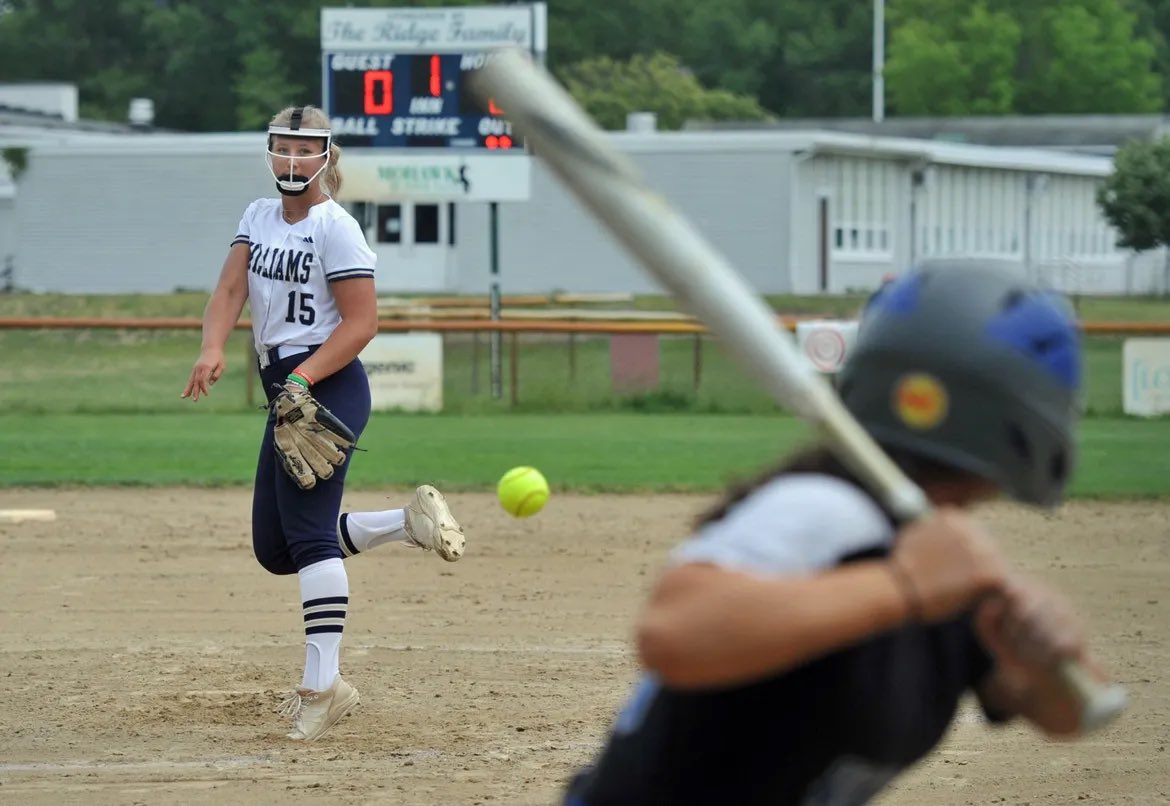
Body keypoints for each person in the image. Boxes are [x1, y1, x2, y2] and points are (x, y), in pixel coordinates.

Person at [565, 264, 1117, 805]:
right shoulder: (825, 510)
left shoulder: (936, 549)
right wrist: (903, 585)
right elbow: (671, 631)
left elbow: (1059, 713)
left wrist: (1046, 661)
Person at [181, 105, 466, 742]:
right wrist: (211, 346)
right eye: (281, 147)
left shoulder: (336, 228)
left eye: (304, 149)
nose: (291, 160)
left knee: (308, 541)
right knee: (273, 548)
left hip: (324, 384)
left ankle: (322, 687)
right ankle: (404, 524)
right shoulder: (257, 216)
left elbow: (362, 324)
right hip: (285, 388)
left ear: (325, 156)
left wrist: (305, 380)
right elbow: (229, 292)